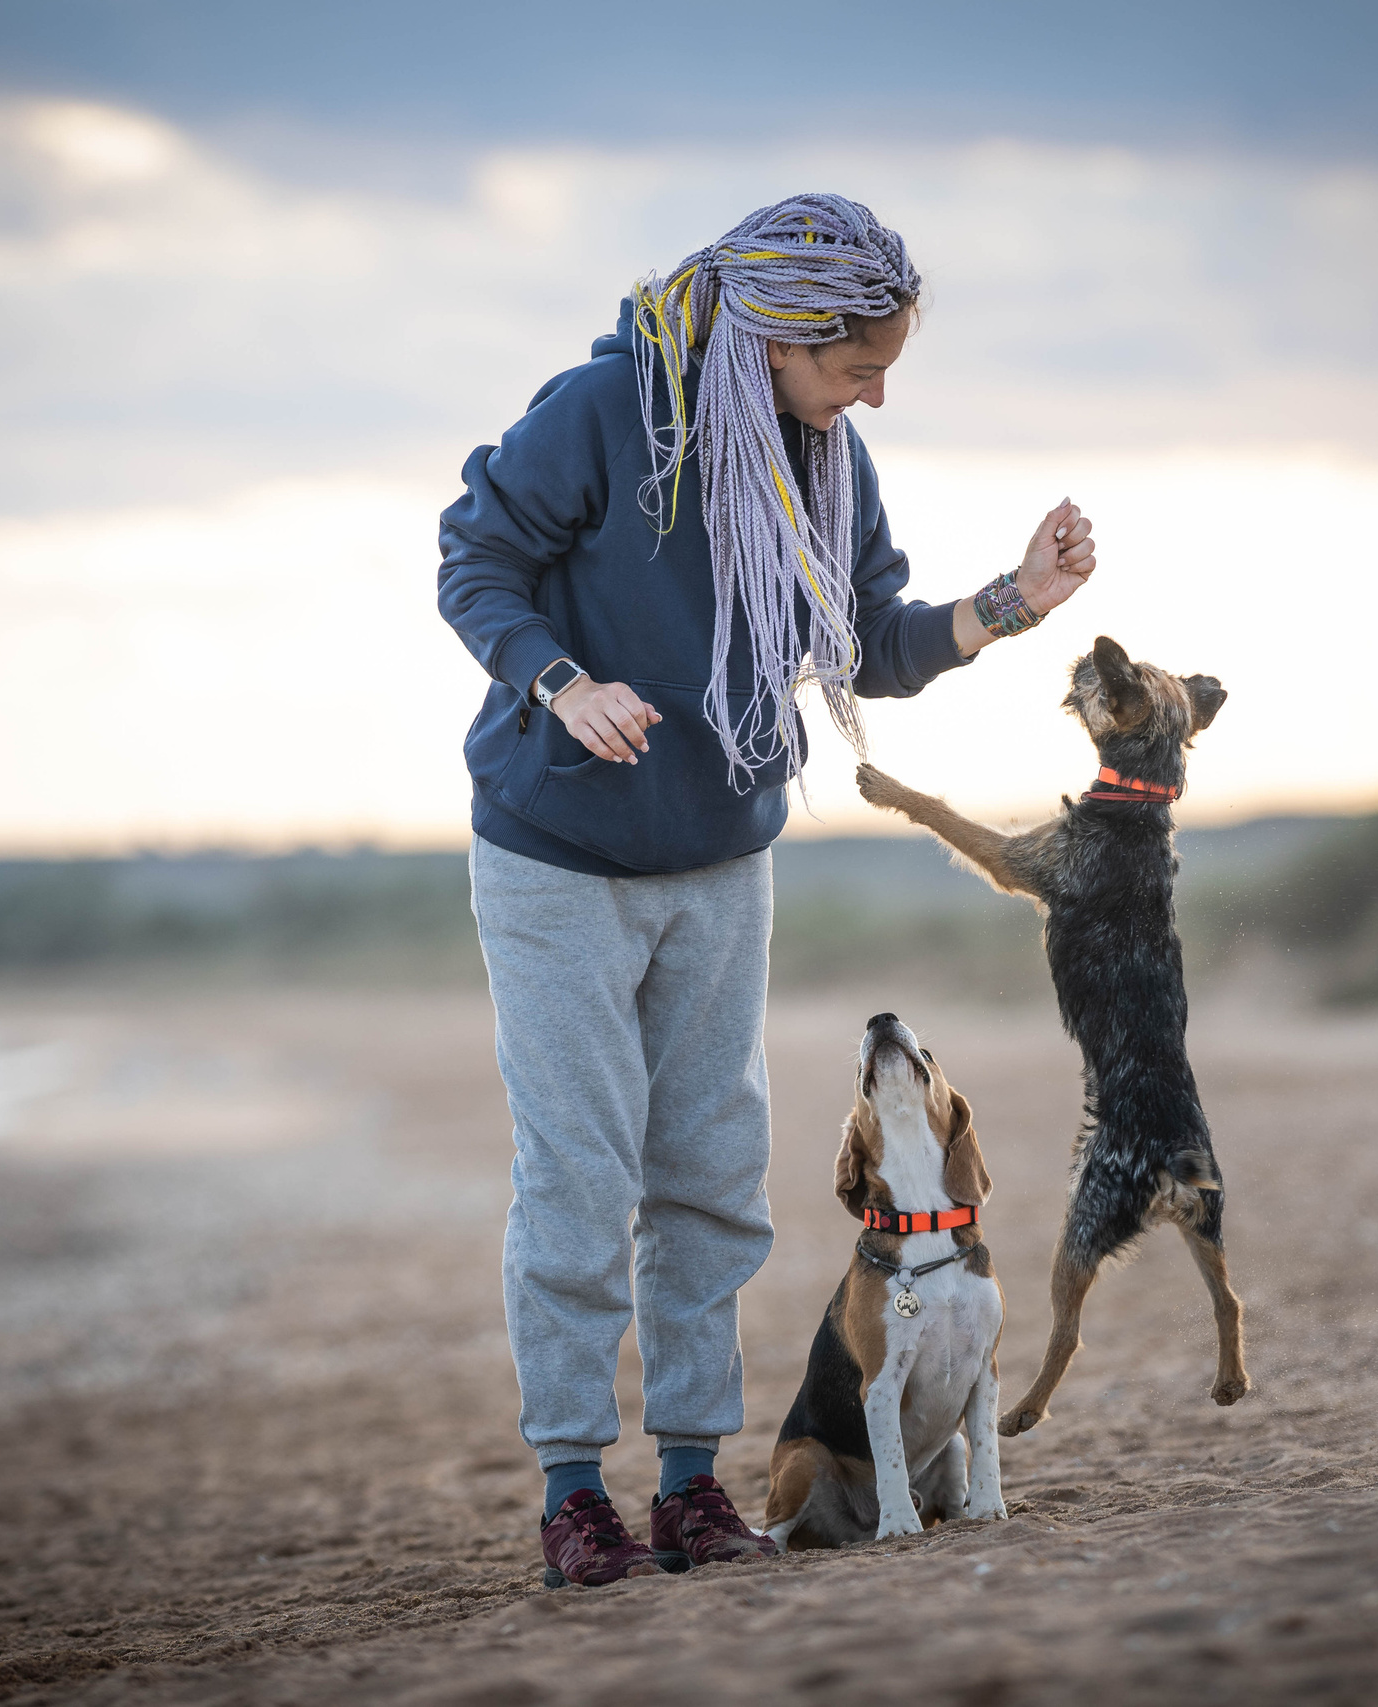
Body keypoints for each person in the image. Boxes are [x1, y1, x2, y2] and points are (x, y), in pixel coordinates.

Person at [436, 193, 1097, 1586]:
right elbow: (477, 558)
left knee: (711, 1181)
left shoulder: (826, 456)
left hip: (722, 856)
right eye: (858, 366)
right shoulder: (609, 407)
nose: (875, 393)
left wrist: (1013, 601)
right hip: (553, 854)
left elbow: (867, 641)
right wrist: (561, 683)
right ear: (780, 339)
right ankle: (572, 1491)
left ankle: (689, 1485)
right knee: (577, 1182)